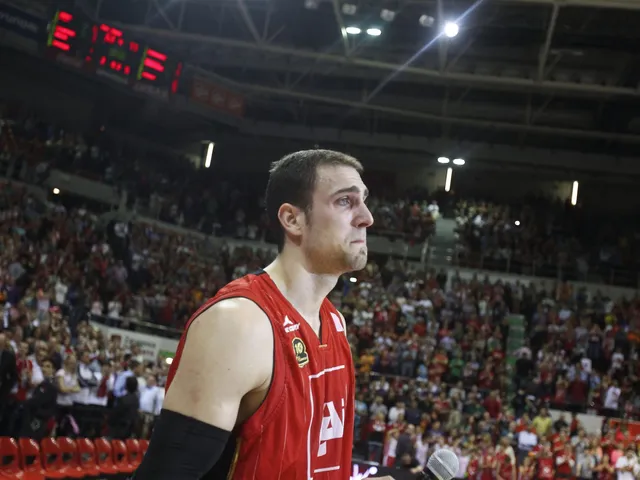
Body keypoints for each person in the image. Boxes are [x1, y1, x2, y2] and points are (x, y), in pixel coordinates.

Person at [133, 150, 395, 479]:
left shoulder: (335, 323)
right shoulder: (240, 323)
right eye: (345, 201)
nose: (367, 218)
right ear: (293, 220)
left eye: (364, 201)